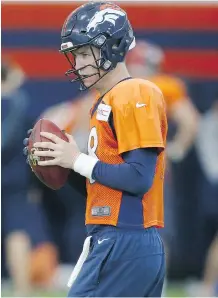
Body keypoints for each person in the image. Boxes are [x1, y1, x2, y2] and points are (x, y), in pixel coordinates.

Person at [23, 2, 167, 297]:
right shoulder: (105, 101)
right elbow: (105, 189)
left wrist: (77, 160)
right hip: (115, 238)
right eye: (75, 56)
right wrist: (61, 162)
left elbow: (139, 178)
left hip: (126, 240)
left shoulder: (134, 91)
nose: (77, 64)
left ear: (113, 47)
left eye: (85, 53)